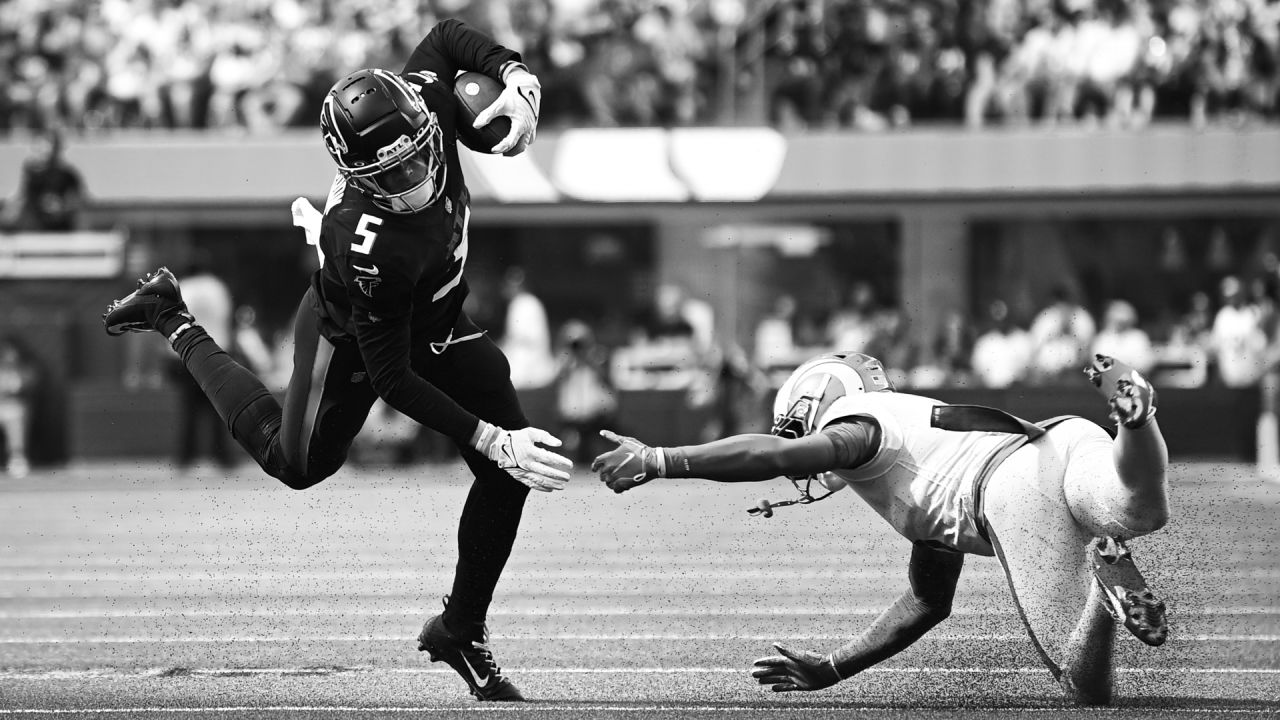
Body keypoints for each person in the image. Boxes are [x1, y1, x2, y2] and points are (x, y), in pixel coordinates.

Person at [101, 19, 568, 703]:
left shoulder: (422, 101)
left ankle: (460, 629)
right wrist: (487, 436)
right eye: (394, 172)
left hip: (438, 322)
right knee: (298, 465)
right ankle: (171, 315)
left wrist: (515, 74)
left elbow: (443, 37)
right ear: (357, 174)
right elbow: (390, 378)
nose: (416, 175)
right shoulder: (366, 242)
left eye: (417, 156)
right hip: (353, 336)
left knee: (508, 476)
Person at [593, 351, 1170, 706]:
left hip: (1007, 492)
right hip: (1059, 439)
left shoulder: (857, 428)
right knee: (1140, 508)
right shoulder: (915, 435)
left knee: (1085, 687)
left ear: (822, 399)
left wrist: (660, 459)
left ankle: (1101, 597)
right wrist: (835, 668)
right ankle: (1136, 424)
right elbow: (927, 600)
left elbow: (772, 457)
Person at [1, 127, 86, 232]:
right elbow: (23, 198)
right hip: (35, 230)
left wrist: (62, 208)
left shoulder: (67, 175)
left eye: (48, 144)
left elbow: (79, 202)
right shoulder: (31, 173)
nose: (43, 149)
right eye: (39, 145)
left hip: (62, 231)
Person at [0, 336, 37, 478]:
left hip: (12, 407)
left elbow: (24, 386)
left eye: (11, 352)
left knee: (15, 414)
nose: (9, 356)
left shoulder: (24, 368)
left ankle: (17, 459)